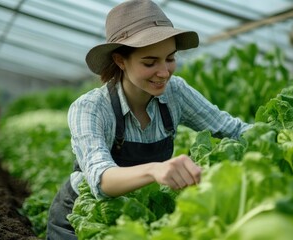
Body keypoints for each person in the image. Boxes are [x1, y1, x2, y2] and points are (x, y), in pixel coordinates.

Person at [46, 0, 252, 239]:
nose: (164, 72)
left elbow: (232, 129)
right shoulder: (90, 108)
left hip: (141, 213)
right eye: (149, 62)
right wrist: (156, 170)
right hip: (83, 219)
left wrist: (287, 138)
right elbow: (101, 179)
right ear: (120, 61)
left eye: (170, 58)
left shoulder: (176, 92)